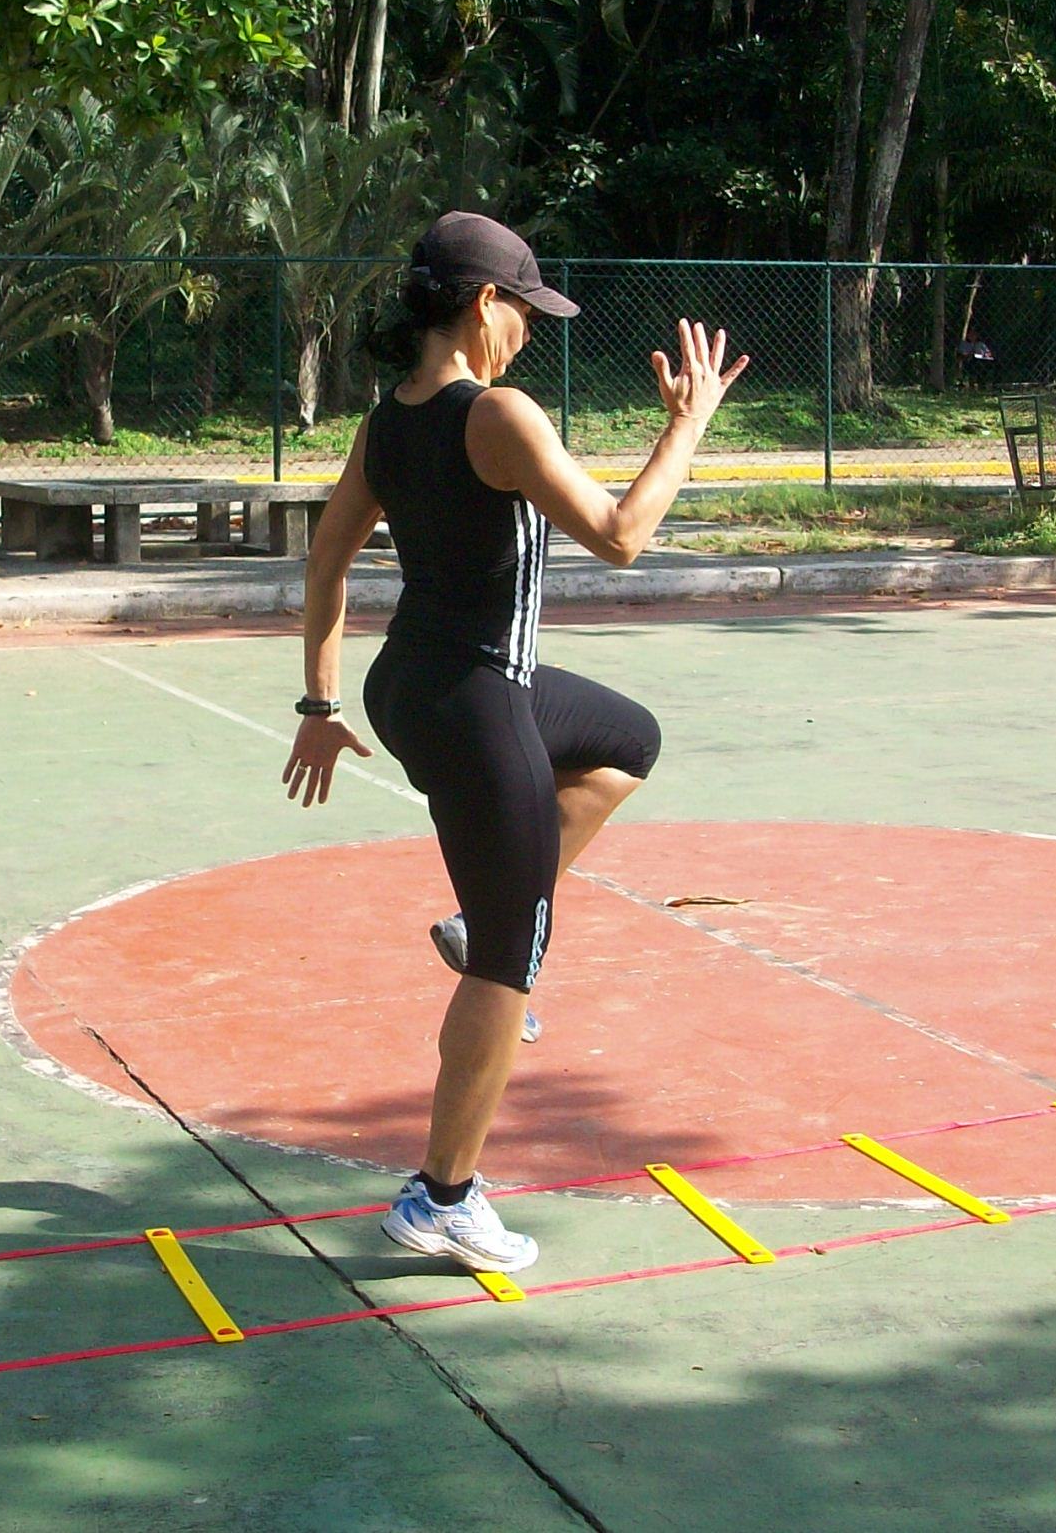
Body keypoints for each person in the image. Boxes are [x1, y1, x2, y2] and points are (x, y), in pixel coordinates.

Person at [281, 210, 746, 1272]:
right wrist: (688, 425)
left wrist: (320, 705)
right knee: (508, 964)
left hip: (415, 687)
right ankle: (441, 1198)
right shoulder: (496, 412)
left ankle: (484, 911)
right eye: (525, 312)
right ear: (484, 303)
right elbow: (621, 537)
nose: (531, 333)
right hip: (475, 702)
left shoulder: (387, 422)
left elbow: (325, 563)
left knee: (626, 740)